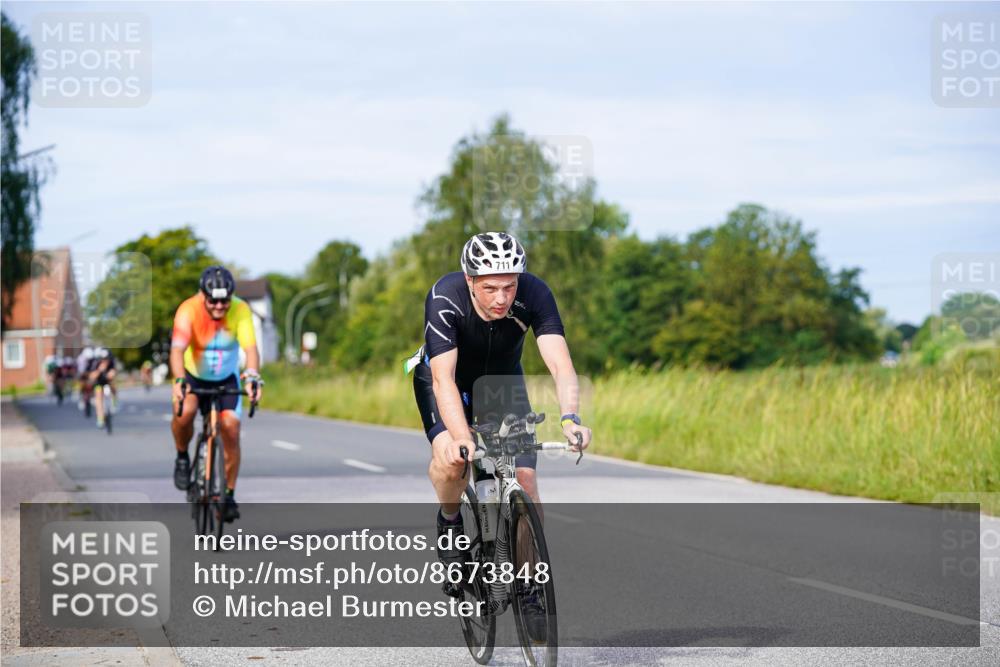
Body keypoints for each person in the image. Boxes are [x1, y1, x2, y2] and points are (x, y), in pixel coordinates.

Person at [411, 232, 592, 567]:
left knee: (525, 478)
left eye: (509, 287)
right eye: (490, 288)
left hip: (502, 384)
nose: (502, 298)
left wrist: (570, 419)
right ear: (470, 279)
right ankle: (449, 520)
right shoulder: (445, 297)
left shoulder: (535, 293)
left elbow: (560, 363)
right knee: (453, 462)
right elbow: (443, 379)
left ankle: (529, 579)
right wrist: (462, 438)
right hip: (446, 384)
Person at [170, 266, 262, 522]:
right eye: (214, 300)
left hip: (226, 378)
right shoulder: (188, 310)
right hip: (193, 375)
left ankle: (228, 495)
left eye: (225, 300)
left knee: (231, 427)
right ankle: (181, 456)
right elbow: (177, 350)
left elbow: (251, 350)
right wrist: (178, 380)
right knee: (185, 412)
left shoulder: (240, 309)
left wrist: (253, 375)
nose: (220, 306)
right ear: (203, 295)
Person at [89, 347, 118, 427]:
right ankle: (100, 418)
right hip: (99, 382)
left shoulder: (112, 362)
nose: (105, 361)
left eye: (107, 359)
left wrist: (112, 374)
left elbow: (114, 372)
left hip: (108, 381)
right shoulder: (96, 363)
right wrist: (99, 370)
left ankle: (114, 401)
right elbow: (92, 376)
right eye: (103, 359)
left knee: (113, 385)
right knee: (98, 397)